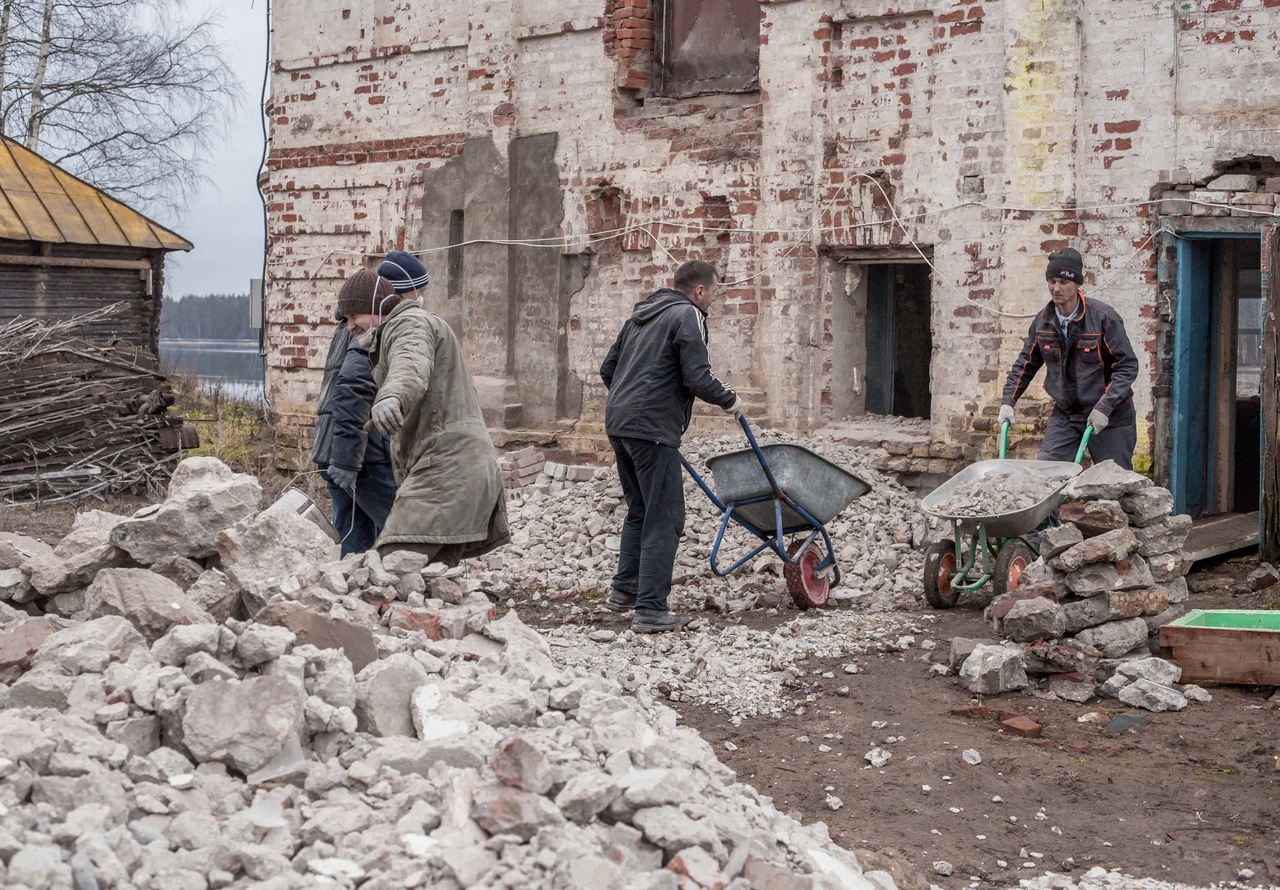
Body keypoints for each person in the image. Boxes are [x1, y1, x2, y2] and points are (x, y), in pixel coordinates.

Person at [599, 259, 743, 634]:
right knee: (666, 517)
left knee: (640, 510)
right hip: (651, 428)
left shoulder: (641, 315)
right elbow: (697, 375)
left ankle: (623, 592)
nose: (713, 299)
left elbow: (607, 369)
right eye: (714, 292)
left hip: (619, 423)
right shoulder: (688, 315)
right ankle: (650, 609)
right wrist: (730, 400)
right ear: (699, 291)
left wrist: (631, 405)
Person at [345, 266, 509, 565]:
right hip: (458, 470)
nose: (349, 326)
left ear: (373, 308)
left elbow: (410, 364)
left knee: (388, 568)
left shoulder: (408, 324)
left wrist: (391, 397)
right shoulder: (407, 326)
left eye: (352, 317)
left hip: (445, 473)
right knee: (428, 583)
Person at [999, 247, 1139, 469]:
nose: (1056, 288)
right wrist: (1008, 401)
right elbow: (1025, 364)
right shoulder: (1043, 321)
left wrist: (1105, 406)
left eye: (1063, 282)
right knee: (1046, 477)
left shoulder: (1103, 318)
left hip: (1111, 417)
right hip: (1067, 416)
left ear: (1077, 284)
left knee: (1115, 485)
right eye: (1052, 281)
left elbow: (1127, 366)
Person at [311, 272, 398, 556]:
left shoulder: (347, 331)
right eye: (348, 317)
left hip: (333, 450)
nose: (349, 326)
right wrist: (347, 462)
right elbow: (352, 396)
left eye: (353, 317)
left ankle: (356, 593)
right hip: (360, 458)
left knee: (354, 539)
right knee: (403, 530)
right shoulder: (367, 338)